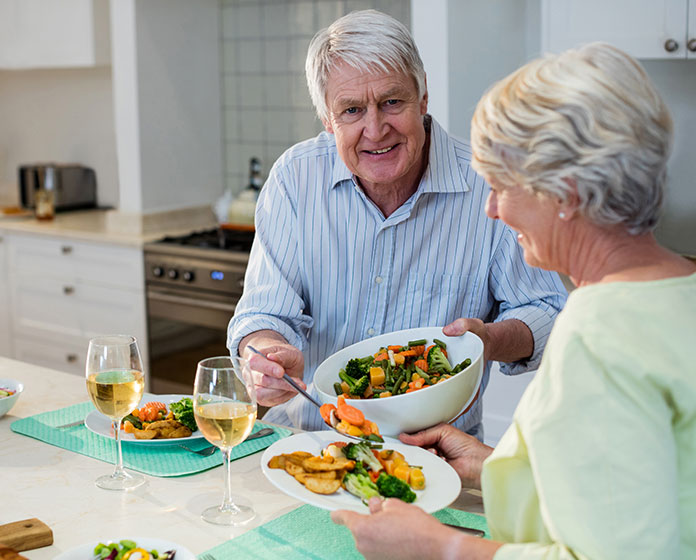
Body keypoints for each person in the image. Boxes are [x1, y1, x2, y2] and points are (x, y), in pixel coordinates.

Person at [331, 42, 696, 559]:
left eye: (502, 184)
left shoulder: (599, 333)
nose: (492, 209)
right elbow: (648, 483)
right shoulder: (678, 289)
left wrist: (440, 548)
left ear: (565, 194)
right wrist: (494, 462)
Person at [227, 9, 566, 438]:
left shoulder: (489, 184)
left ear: (422, 97)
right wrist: (269, 356)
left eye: (391, 102)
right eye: (351, 110)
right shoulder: (295, 178)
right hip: (309, 443)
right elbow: (262, 312)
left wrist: (487, 340)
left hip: (438, 457)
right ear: (329, 121)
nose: (375, 129)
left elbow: (548, 312)